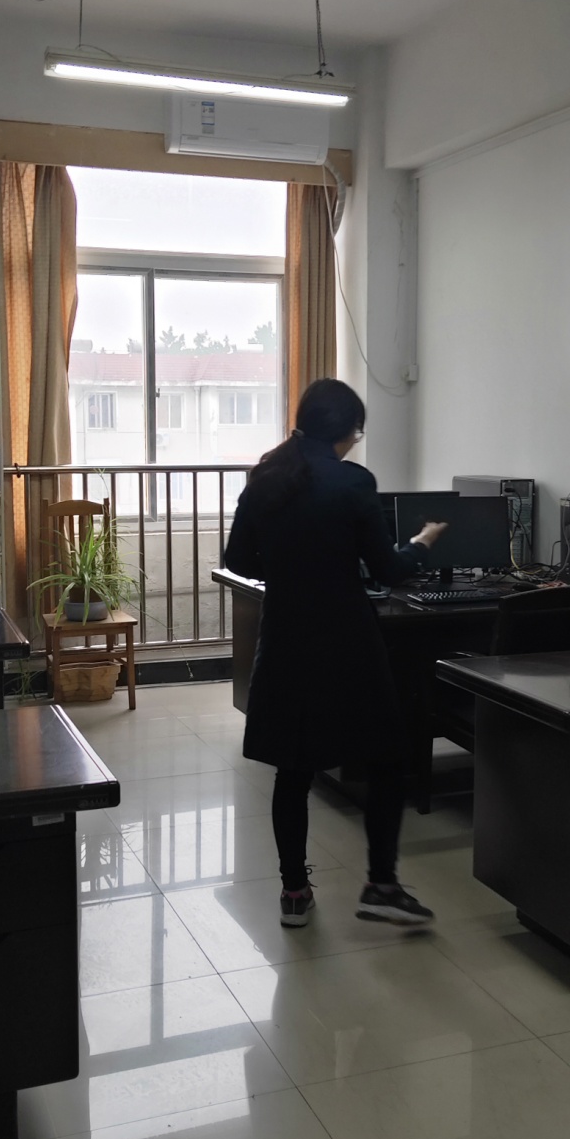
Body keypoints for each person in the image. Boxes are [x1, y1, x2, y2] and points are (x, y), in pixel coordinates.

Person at [223, 378, 446, 928]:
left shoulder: (265, 479)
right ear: (347, 430)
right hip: (348, 640)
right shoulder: (352, 482)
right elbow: (389, 569)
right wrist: (422, 542)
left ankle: (294, 893)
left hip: (287, 638)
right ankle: (381, 886)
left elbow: (238, 560)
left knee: (293, 769)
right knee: (387, 758)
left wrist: (289, 571)